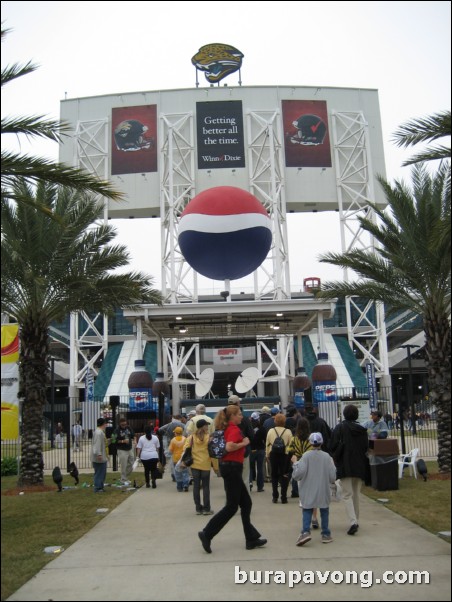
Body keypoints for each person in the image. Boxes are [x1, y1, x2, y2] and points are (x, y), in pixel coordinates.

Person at [198, 405, 266, 554]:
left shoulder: (227, 428)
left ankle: (251, 538)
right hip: (232, 468)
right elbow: (229, 447)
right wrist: (244, 443)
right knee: (231, 506)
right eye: (239, 414)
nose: (242, 417)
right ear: (232, 417)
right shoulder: (234, 429)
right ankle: (207, 533)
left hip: (229, 468)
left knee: (246, 503)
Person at [291, 432, 337, 546]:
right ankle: (325, 533)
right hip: (323, 488)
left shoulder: (306, 456)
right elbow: (332, 477)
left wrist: (295, 463)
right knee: (324, 509)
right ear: (322, 442)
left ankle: (305, 531)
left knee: (307, 509)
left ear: (310, 443)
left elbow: (298, 474)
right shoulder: (327, 457)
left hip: (308, 487)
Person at [330, 404, 369, 535]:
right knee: (356, 494)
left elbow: (333, 445)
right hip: (359, 465)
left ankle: (353, 522)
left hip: (345, 464)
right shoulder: (361, 430)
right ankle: (356, 519)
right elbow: (365, 448)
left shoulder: (340, 428)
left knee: (347, 494)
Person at [183, 419, 214, 514]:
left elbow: (185, 449)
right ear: (203, 426)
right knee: (205, 487)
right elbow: (213, 453)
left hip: (195, 465)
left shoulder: (191, 437)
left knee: (196, 487)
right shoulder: (209, 437)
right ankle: (206, 509)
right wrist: (216, 467)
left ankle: (198, 508)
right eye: (206, 425)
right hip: (205, 464)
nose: (207, 427)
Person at [265, 413, 293, 503]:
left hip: (273, 454)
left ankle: (275, 496)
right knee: (284, 475)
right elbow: (291, 445)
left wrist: (267, 455)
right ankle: (284, 497)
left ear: (275, 421)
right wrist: (287, 452)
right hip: (284, 455)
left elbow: (267, 444)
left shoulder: (271, 431)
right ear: (284, 421)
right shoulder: (288, 431)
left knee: (274, 475)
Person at [114, 416, 135, 484]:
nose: (124, 426)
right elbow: (113, 440)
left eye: (125, 424)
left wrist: (135, 440)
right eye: (123, 425)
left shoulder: (128, 428)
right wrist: (122, 441)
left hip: (129, 448)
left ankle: (125, 477)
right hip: (122, 449)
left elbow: (133, 435)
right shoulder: (116, 430)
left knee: (132, 463)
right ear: (120, 424)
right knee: (124, 465)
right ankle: (123, 479)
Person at [248, 411, 266, 492]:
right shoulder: (262, 428)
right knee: (260, 468)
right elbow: (265, 439)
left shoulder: (249, 428)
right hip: (260, 450)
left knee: (250, 468)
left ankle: (250, 482)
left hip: (251, 450)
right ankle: (260, 486)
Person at [169, 426, 190, 492]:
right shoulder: (185, 439)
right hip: (183, 458)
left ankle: (179, 486)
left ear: (176, 433)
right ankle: (185, 484)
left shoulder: (173, 440)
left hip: (176, 459)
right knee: (185, 472)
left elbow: (170, 450)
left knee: (178, 473)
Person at [91, 417, 108, 493]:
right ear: (103, 424)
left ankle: (100, 486)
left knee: (102, 472)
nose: (106, 425)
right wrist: (99, 454)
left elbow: (103, 443)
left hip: (102, 456)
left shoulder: (100, 432)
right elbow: (97, 444)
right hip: (99, 457)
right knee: (99, 473)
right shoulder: (98, 433)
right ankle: (97, 488)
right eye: (105, 423)